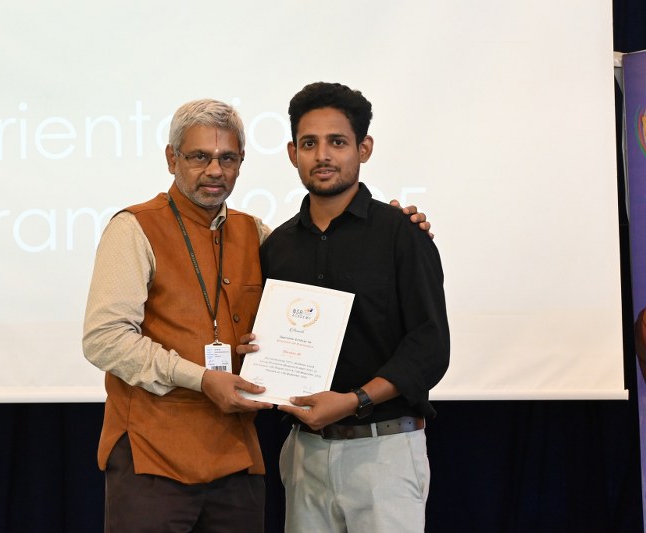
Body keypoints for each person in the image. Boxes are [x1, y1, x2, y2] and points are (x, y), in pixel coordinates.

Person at [83, 98, 433, 532]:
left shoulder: (258, 236)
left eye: (227, 158)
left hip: (237, 459)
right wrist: (201, 378)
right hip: (152, 455)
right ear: (172, 159)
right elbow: (104, 339)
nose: (215, 170)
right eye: (199, 157)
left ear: (241, 163)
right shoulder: (135, 228)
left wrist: (396, 228)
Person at [238, 82, 450, 533]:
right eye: (309, 144)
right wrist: (253, 352)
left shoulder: (402, 234)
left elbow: (429, 346)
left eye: (337, 142)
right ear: (292, 153)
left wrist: (355, 401)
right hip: (304, 450)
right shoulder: (277, 247)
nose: (323, 156)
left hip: (384, 453)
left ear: (363, 148)